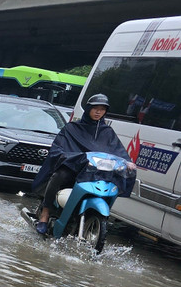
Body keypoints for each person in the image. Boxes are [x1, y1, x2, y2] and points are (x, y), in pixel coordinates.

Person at [31, 93, 134, 235]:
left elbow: (118, 150)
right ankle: (45, 213)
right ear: (88, 109)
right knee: (59, 175)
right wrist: (69, 157)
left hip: (95, 171)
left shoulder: (107, 132)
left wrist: (127, 162)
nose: (98, 112)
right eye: (95, 108)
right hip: (74, 167)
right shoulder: (72, 128)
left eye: (102, 109)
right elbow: (58, 148)